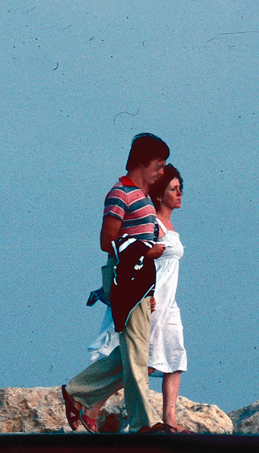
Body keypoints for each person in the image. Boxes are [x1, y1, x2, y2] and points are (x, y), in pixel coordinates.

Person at [61, 134, 168, 434]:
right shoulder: (120, 193)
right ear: (143, 162)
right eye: (158, 166)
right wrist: (148, 251)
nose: (161, 172)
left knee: (133, 352)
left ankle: (77, 391)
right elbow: (107, 241)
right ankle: (144, 423)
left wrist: (150, 288)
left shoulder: (143, 196)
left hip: (140, 282)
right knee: (135, 353)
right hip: (126, 280)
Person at [85, 164, 187, 430]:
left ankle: (170, 421)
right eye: (173, 189)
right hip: (151, 298)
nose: (179, 194)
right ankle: (92, 405)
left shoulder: (170, 225)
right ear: (159, 194)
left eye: (180, 189)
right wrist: (146, 293)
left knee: (175, 359)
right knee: (144, 363)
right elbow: (130, 255)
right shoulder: (149, 222)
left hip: (169, 301)